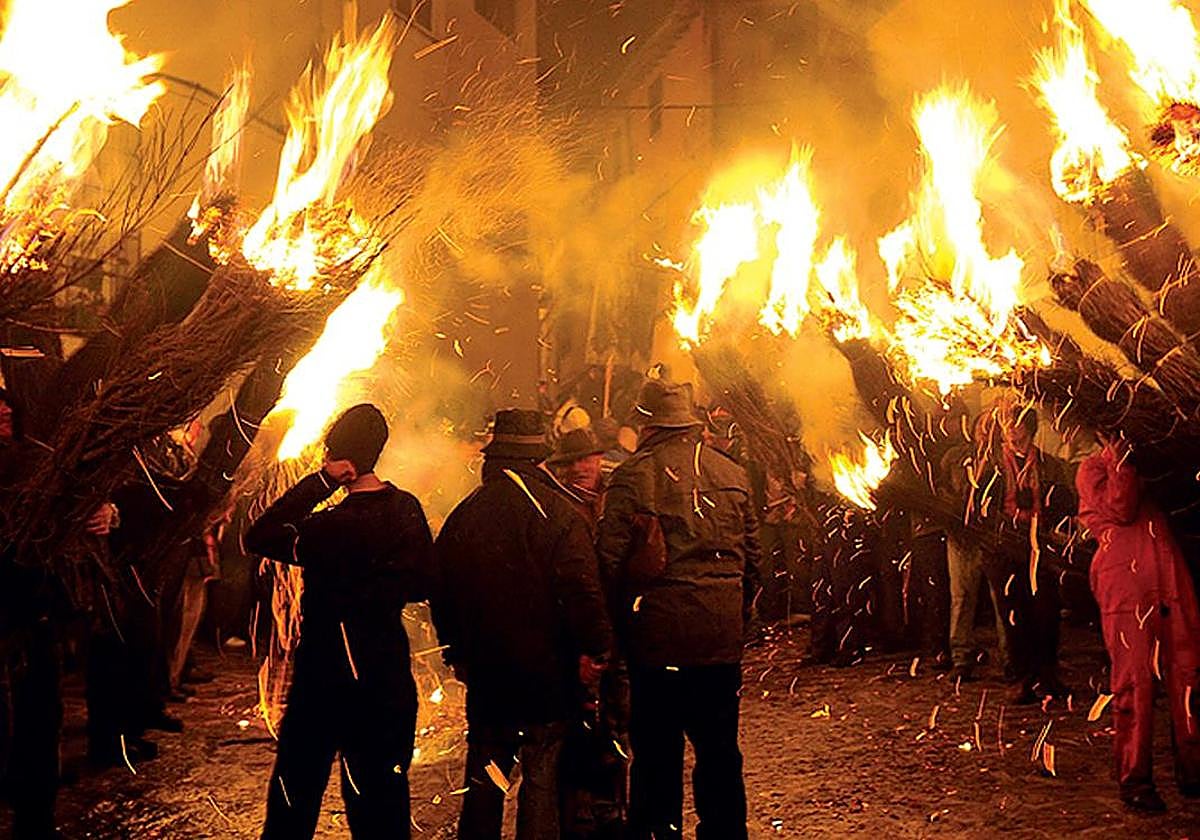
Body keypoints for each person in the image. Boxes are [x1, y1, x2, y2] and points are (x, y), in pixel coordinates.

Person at [245, 404, 434, 840]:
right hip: (384, 675)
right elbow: (425, 582)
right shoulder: (406, 510)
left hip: (323, 679)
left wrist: (321, 482)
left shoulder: (328, 527)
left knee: (295, 798)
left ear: (335, 456)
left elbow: (260, 534)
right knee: (383, 806)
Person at [432, 409, 612, 840]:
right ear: (539, 459)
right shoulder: (558, 515)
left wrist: (455, 651)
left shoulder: (464, 516)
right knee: (542, 779)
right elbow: (582, 589)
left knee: (485, 778)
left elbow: (440, 591)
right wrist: (597, 646)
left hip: (489, 675)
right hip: (548, 675)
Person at [596, 378, 761, 840]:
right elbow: (754, 562)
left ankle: (658, 832)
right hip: (719, 642)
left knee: (657, 752)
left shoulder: (634, 475)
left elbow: (607, 562)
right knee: (720, 751)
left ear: (647, 425)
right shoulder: (732, 474)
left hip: (657, 641)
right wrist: (736, 618)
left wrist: (610, 632)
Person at [1077, 431, 1200, 813]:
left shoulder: (1151, 463)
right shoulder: (1092, 468)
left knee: (1190, 672)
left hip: (1168, 574)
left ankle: (1193, 768)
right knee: (1134, 681)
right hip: (1125, 582)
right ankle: (1135, 779)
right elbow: (1123, 507)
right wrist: (1120, 457)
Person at [550, 427, 630, 840]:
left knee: (616, 725)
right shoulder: (555, 508)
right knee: (577, 727)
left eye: (589, 459)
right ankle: (579, 814)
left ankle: (612, 807)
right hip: (577, 636)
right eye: (574, 461)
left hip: (614, 629)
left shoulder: (614, 499)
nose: (583, 467)